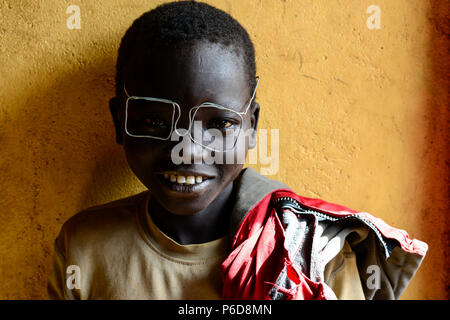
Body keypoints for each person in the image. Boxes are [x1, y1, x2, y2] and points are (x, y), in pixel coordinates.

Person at [47, 1, 427, 300]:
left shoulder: (312, 253)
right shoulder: (85, 248)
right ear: (120, 122)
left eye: (220, 123)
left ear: (251, 127)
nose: (187, 151)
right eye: (154, 122)